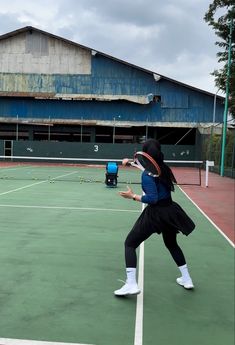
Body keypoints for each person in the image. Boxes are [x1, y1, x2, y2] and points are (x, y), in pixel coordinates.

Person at [114, 139, 195, 296]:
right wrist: (129, 163)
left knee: (130, 244)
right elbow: (149, 169)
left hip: (156, 214)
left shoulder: (147, 175)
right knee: (171, 244)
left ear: (145, 154)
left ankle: (131, 284)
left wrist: (133, 196)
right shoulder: (163, 168)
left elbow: (152, 198)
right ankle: (187, 278)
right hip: (170, 211)